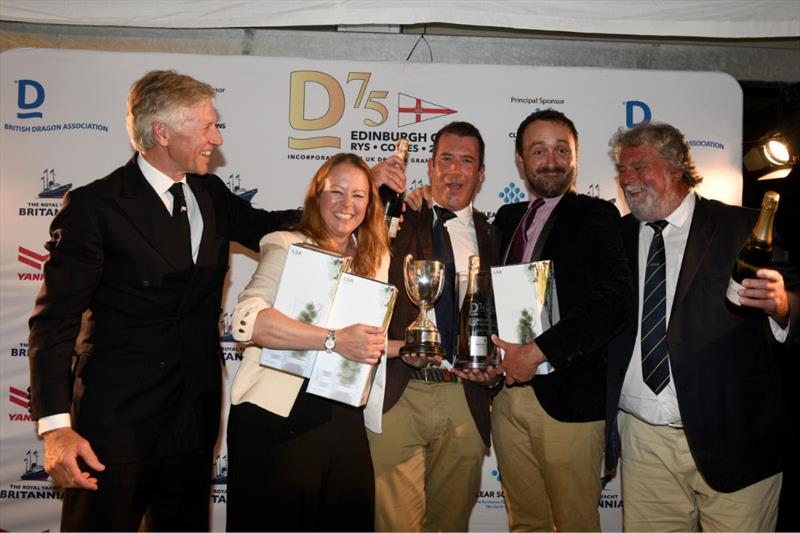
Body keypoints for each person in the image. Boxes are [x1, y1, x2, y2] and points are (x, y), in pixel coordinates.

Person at [27, 69, 306, 531]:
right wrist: (56, 428)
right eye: (207, 126)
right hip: (115, 423)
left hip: (193, 417)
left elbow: (267, 226)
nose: (216, 138)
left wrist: (349, 199)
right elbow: (53, 322)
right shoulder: (96, 207)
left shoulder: (209, 191)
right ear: (162, 133)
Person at [606, 121, 799, 532]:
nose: (628, 180)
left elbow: (794, 302)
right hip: (644, 443)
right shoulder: (615, 237)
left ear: (676, 167)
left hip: (736, 437)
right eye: (622, 170)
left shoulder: (742, 227)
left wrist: (783, 307)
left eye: (639, 167)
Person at [466, 109, 632, 532]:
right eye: (538, 151)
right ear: (521, 161)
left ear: (576, 156)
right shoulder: (506, 218)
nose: (552, 160)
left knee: (575, 524)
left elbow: (613, 301)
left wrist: (539, 352)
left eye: (562, 150)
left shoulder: (598, 216)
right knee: (525, 523)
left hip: (570, 400)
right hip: (507, 398)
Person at [225, 153, 390, 531]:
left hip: (342, 415)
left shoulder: (372, 260)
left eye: (359, 195)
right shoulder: (287, 244)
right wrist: (333, 340)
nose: (347, 204)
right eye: (337, 191)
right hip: (277, 415)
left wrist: (406, 347)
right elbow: (246, 321)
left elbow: (359, 341)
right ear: (317, 196)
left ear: (370, 204)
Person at [367, 121, 501, 531]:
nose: (455, 171)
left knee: (450, 525)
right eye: (446, 160)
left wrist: (498, 363)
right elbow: (339, 220)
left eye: (467, 162)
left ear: (480, 174)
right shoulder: (398, 218)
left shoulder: (494, 236)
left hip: (464, 396)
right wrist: (372, 187)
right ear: (430, 166)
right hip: (398, 390)